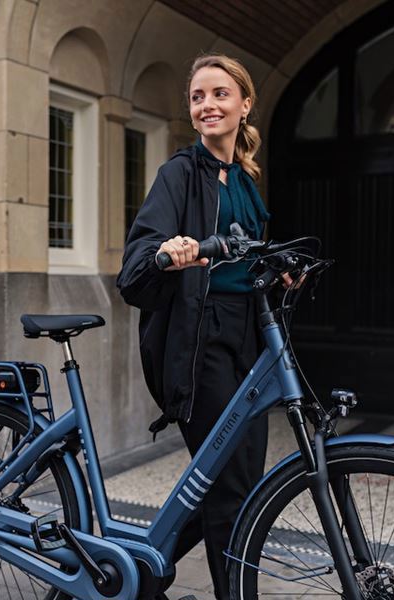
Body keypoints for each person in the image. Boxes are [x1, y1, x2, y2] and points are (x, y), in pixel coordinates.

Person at [117, 54, 278, 600]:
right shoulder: (179, 173)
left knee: (236, 485)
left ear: (245, 103)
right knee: (231, 488)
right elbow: (135, 266)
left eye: (220, 94)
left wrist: (283, 275)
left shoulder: (247, 180)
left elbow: (251, 260)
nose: (207, 105)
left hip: (247, 340)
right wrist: (167, 250)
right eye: (197, 97)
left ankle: (139, 572)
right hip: (199, 340)